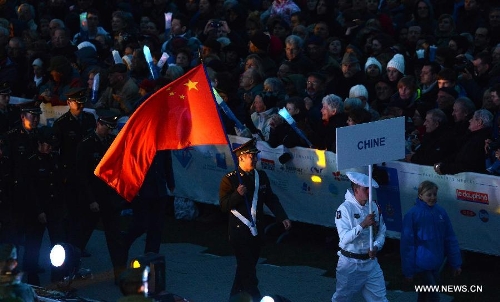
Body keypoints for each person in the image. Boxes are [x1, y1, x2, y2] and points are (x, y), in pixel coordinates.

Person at [219, 138, 292, 301]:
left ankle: (233, 298)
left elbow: (270, 199)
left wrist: (282, 217)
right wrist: (237, 195)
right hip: (239, 233)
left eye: (255, 156)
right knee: (248, 273)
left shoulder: (261, 176)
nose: (255, 159)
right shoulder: (229, 180)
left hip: (256, 231)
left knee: (245, 269)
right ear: (241, 157)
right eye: (252, 156)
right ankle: (256, 298)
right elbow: (224, 206)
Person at [75, 115, 127, 284]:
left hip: (109, 198)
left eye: (111, 127)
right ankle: (71, 269)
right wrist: (90, 200)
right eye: (107, 126)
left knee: (115, 238)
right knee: (82, 236)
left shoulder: (111, 141)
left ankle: (120, 274)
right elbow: (82, 176)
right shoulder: (86, 144)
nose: (109, 130)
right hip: (93, 199)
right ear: (98, 124)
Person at [400, 181, 462, 302]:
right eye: (429, 194)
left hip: (436, 264)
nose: (432, 197)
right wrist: (408, 271)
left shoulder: (441, 212)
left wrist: (456, 263)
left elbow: (450, 238)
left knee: (424, 295)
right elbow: (407, 245)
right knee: (434, 296)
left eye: (434, 194)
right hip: (421, 265)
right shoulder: (412, 215)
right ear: (420, 196)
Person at [332, 171, 388, 302]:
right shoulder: (344, 209)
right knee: (342, 298)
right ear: (356, 189)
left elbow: (381, 231)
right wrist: (362, 225)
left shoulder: (373, 206)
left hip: (370, 263)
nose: (369, 192)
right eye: (366, 189)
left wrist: (376, 246)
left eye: (370, 189)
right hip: (350, 264)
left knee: (380, 299)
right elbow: (344, 239)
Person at [123, 149, 175, 256]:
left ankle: (151, 258)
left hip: (159, 188)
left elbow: (167, 161)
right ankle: (123, 244)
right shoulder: (140, 139)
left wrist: (171, 182)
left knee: (156, 226)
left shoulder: (163, 141)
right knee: (140, 224)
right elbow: (131, 162)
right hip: (142, 189)